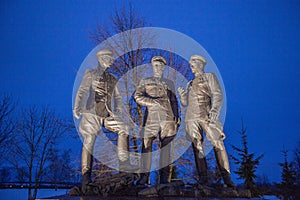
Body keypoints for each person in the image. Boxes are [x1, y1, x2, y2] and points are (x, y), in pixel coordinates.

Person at [73, 49, 135, 192]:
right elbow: (82, 91)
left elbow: (118, 98)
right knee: (89, 141)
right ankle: (85, 176)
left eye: (112, 59)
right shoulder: (90, 74)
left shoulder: (113, 78)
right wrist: (77, 108)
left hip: (107, 114)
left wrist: (118, 111)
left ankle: (124, 166)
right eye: (108, 58)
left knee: (124, 129)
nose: (111, 61)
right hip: (91, 112)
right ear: (101, 59)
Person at [178, 54, 235, 188]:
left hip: (206, 114)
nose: (190, 65)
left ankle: (226, 177)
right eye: (190, 63)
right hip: (191, 118)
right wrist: (182, 96)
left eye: (193, 63)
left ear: (200, 64)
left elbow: (217, 94)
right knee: (197, 147)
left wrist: (215, 110)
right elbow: (185, 103)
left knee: (217, 143)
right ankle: (203, 179)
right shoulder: (189, 83)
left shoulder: (209, 77)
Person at [134, 56, 179, 185]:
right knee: (146, 145)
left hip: (167, 117)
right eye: (156, 65)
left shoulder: (169, 83)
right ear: (152, 67)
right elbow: (137, 96)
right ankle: (143, 178)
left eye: (161, 66)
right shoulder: (146, 81)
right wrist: (153, 102)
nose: (159, 68)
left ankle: (164, 180)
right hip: (151, 118)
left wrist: (176, 115)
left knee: (167, 149)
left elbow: (174, 100)